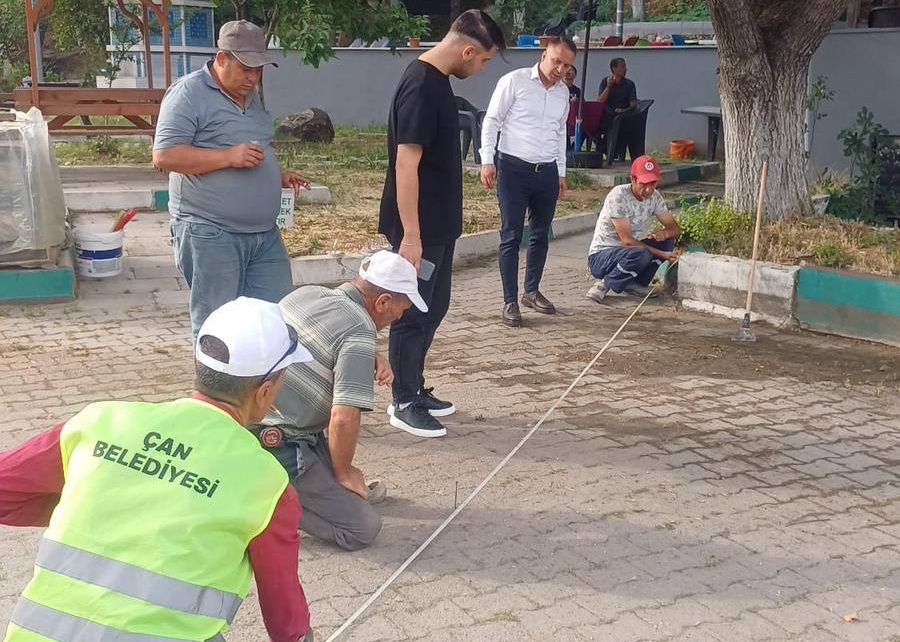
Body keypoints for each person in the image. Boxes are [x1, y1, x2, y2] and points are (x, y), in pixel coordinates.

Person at [0, 297, 314, 642]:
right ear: (264, 392)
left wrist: (100, 505)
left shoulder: (100, 421)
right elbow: (286, 622)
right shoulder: (265, 481)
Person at [378, 9, 506, 437]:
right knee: (410, 312)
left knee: (434, 307)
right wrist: (411, 237)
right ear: (467, 50)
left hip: (438, 227)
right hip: (419, 230)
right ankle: (402, 400)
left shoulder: (439, 82)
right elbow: (406, 163)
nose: (482, 68)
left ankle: (415, 385)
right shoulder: (419, 85)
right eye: (484, 60)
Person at [256, 251, 425, 551]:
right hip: (277, 441)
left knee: (339, 482)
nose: (399, 317)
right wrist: (345, 472)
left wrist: (370, 354)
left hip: (252, 418)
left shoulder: (308, 294)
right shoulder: (359, 331)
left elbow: (319, 340)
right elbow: (343, 418)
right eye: (400, 309)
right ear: (383, 301)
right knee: (361, 527)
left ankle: (299, 484)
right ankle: (258, 500)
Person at [153, 20, 310, 339]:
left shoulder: (251, 97)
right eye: (246, 69)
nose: (253, 78)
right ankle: (215, 389)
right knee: (218, 328)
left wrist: (276, 177)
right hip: (210, 231)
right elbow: (165, 156)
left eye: (259, 70)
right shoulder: (188, 93)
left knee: (274, 321)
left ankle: (263, 388)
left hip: (264, 235)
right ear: (221, 58)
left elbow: (253, 147)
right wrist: (227, 157)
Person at [479, 36, 575, 328]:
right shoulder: (514, 81)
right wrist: (487, 159)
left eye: (566, 65)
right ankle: (510, 300)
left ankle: (531, 290)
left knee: (540, 233)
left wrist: (560, 172)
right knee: (511, 235)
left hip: (545, 171)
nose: (559, 69)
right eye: (556, 60)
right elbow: (492, 120)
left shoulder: (563, 95)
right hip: (513, 169)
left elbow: (560, 135)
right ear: (544, 54)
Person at [586, 155, 681, 302]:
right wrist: (662, 255)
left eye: (653, 183)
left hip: (631, 253)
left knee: (667, 242)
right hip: (602, 256)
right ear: (633, 179)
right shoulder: (618, 196)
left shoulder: (655, 197)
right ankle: (605, 284)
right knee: (642, 253)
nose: (648, 189)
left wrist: (664, 233)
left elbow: (675, 228)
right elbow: (627, 241)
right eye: (644, 183)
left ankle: (633, 284)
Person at [597, 57, 640, 161]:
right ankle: (604, 150)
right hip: (608, 115)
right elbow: (599, 102)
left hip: (624, 116)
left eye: (625, 67)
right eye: (622, 67)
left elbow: (633, 103)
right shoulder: (605, 82)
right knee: (599, 125)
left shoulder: (629, 84)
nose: (625, 69)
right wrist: (608, 87)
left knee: (619, 124)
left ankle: (614, 152)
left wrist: (623, 110)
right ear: (614, 68)